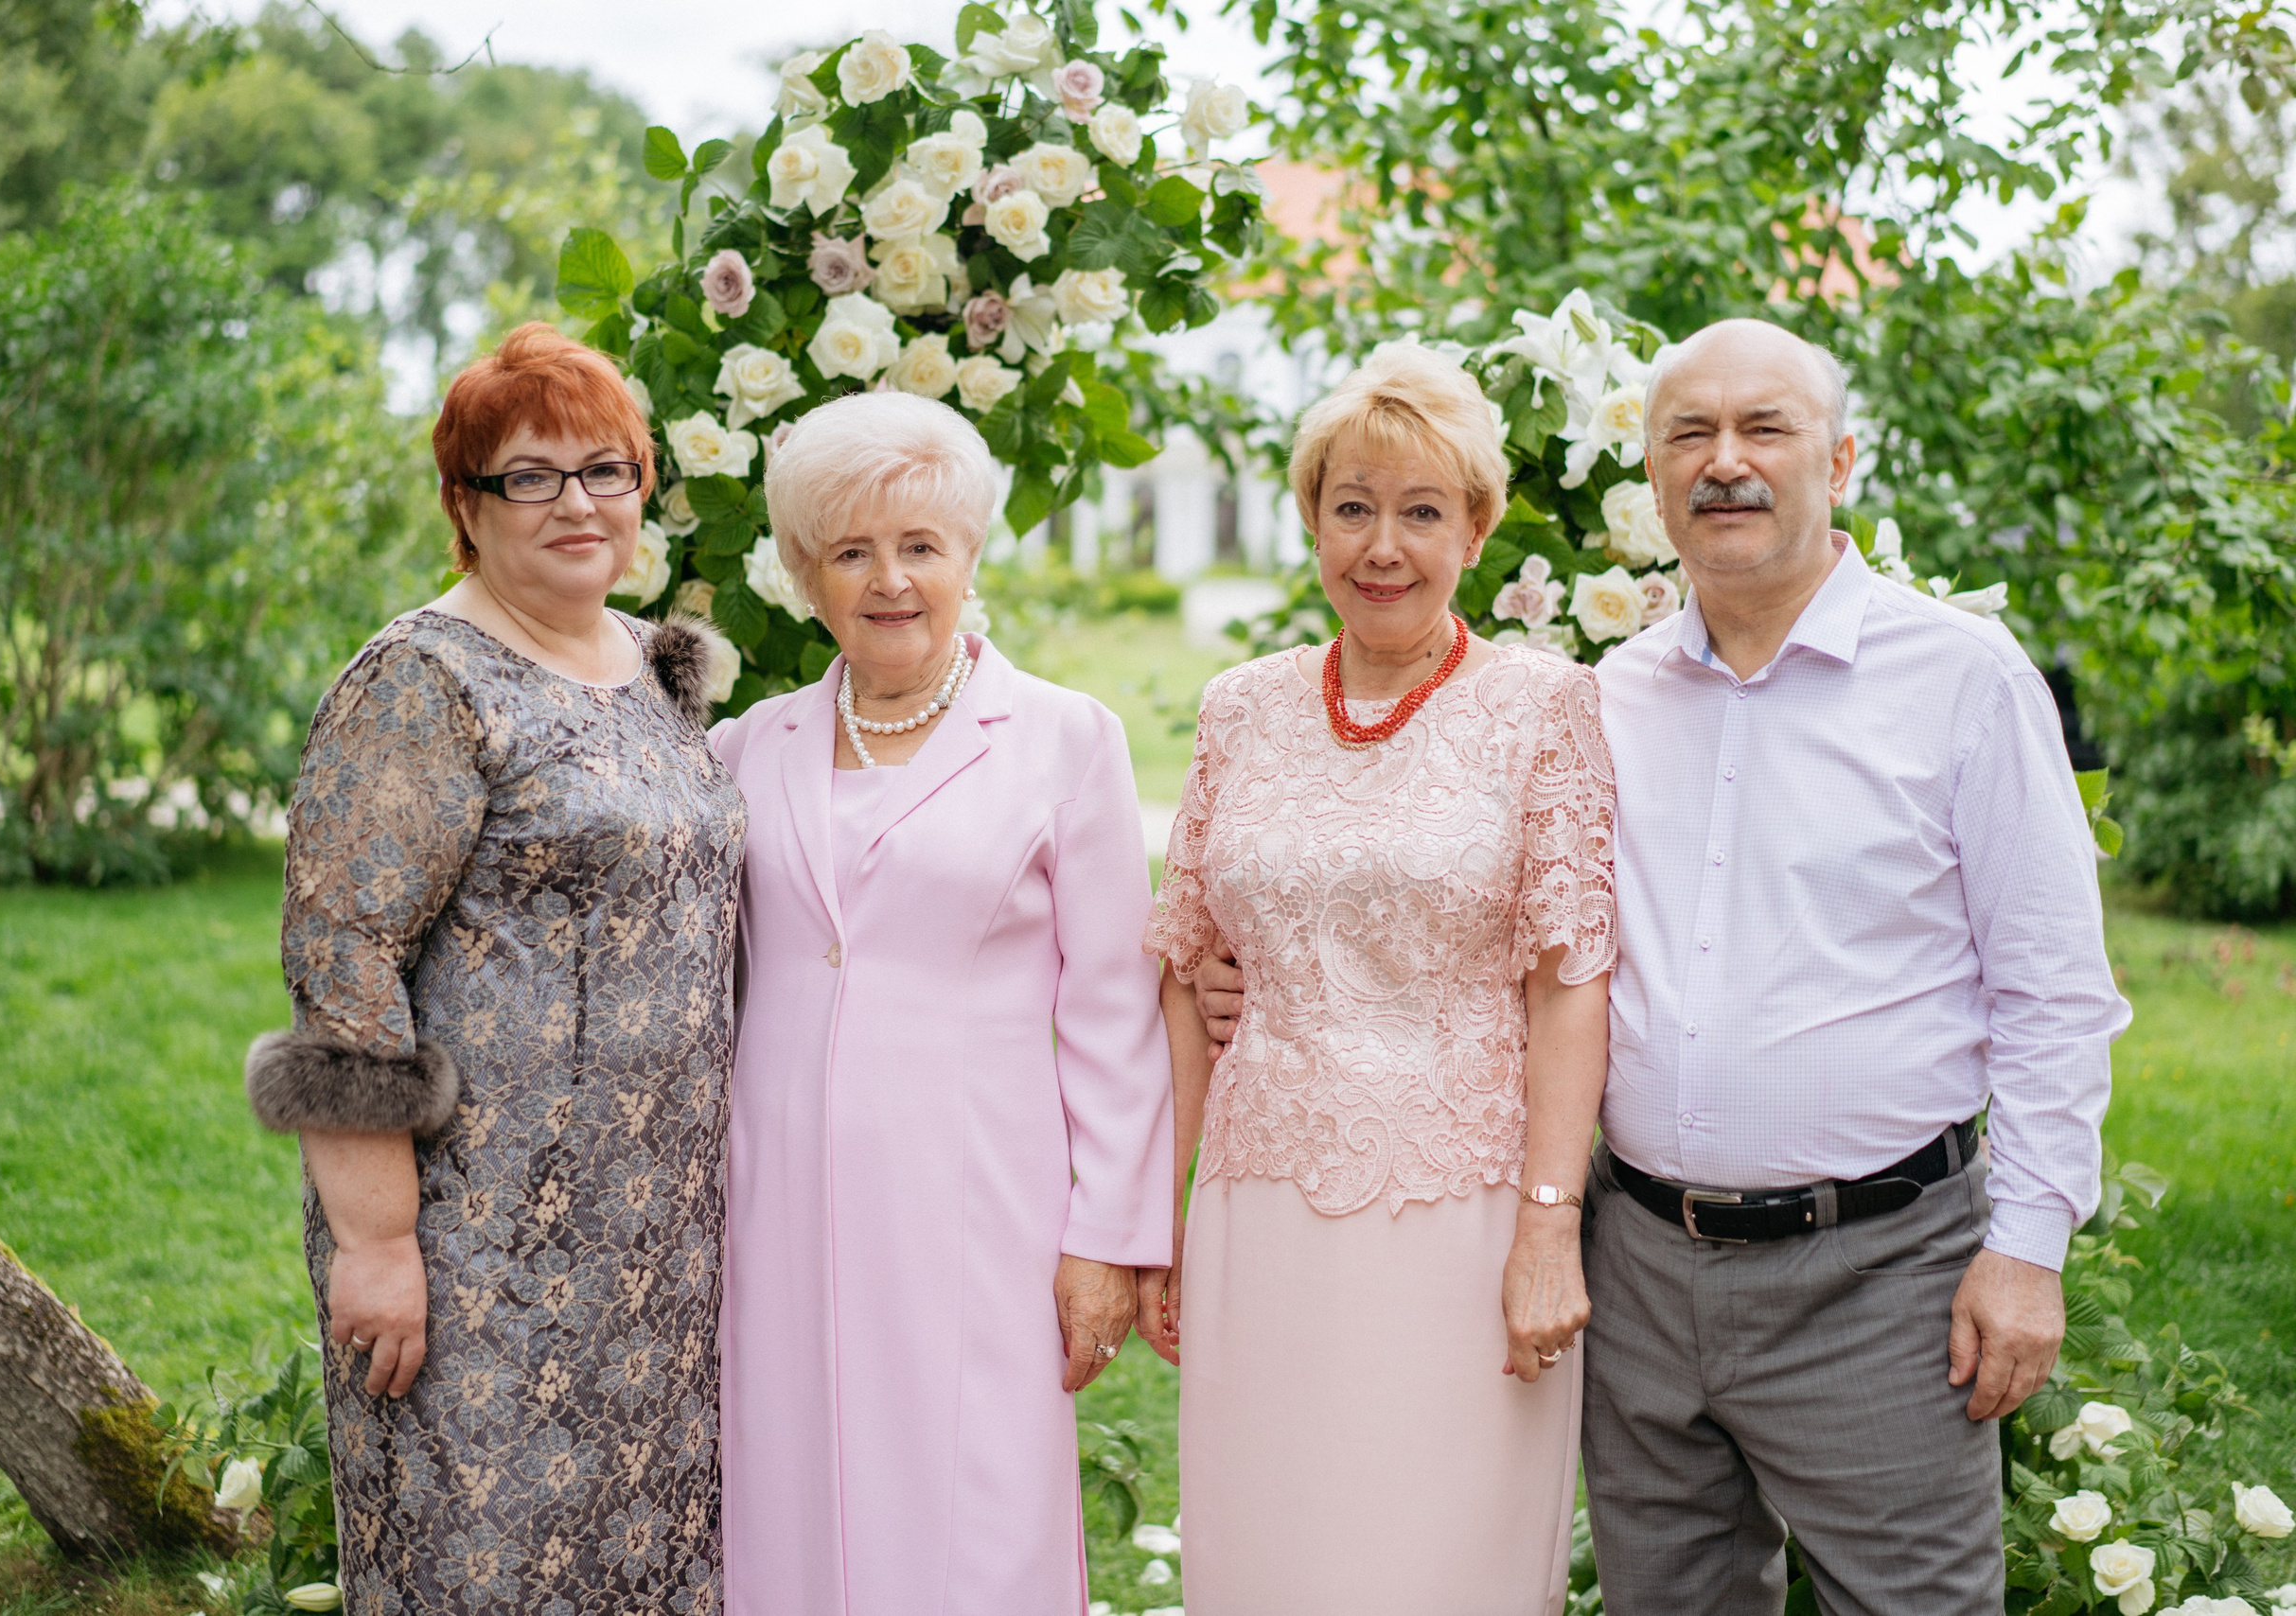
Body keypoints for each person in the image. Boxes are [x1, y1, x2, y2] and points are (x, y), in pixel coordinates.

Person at [1199, 319, 2130, 1614]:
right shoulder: (1599, 701)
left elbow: (2053, 990)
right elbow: (1494, 921)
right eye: (1689, 435)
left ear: (1844, 459)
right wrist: (1276, 976)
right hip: (1637, 1262)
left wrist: (2028, 1248)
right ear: (1651, 476)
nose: (1725, 462)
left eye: (1767, 430)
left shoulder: (1962, 683)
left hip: (1875, 1270)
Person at [244, 323, 740, 1614]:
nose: (578, 503)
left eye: (607, 469)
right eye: (531, 474)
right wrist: (378, 1238)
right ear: (466, 505)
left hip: (658, 1239)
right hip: (480, 1242)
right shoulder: (422, 679)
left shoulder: (652, 665)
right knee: (488, 1561)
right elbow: (340, 956)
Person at [1141, 341, 1618, 1616]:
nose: (1383, 546)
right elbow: (1189, 970)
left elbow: (1574, 980)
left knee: (1430, 1569)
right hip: (1260, 1216)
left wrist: (1548, 1230)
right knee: (1269, 1564)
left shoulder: (1546, 707)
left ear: (1477, 526)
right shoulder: (1240, 708)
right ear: (1310, 520)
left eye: (1421, 512)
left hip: (1459, 1225)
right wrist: (1162, 1219)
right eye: (1352, 508)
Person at [710, 390, 1173, 1616]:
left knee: (977, 1507)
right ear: (806, 574)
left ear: (969, 555)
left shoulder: (1065, 741)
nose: (890, 579)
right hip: (780, 1202)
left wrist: (1108, 1241)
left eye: (920, 546)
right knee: (786, 1488)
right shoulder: (749, 747)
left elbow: (1114, 1007)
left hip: (984, 1206)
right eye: (851, 550)